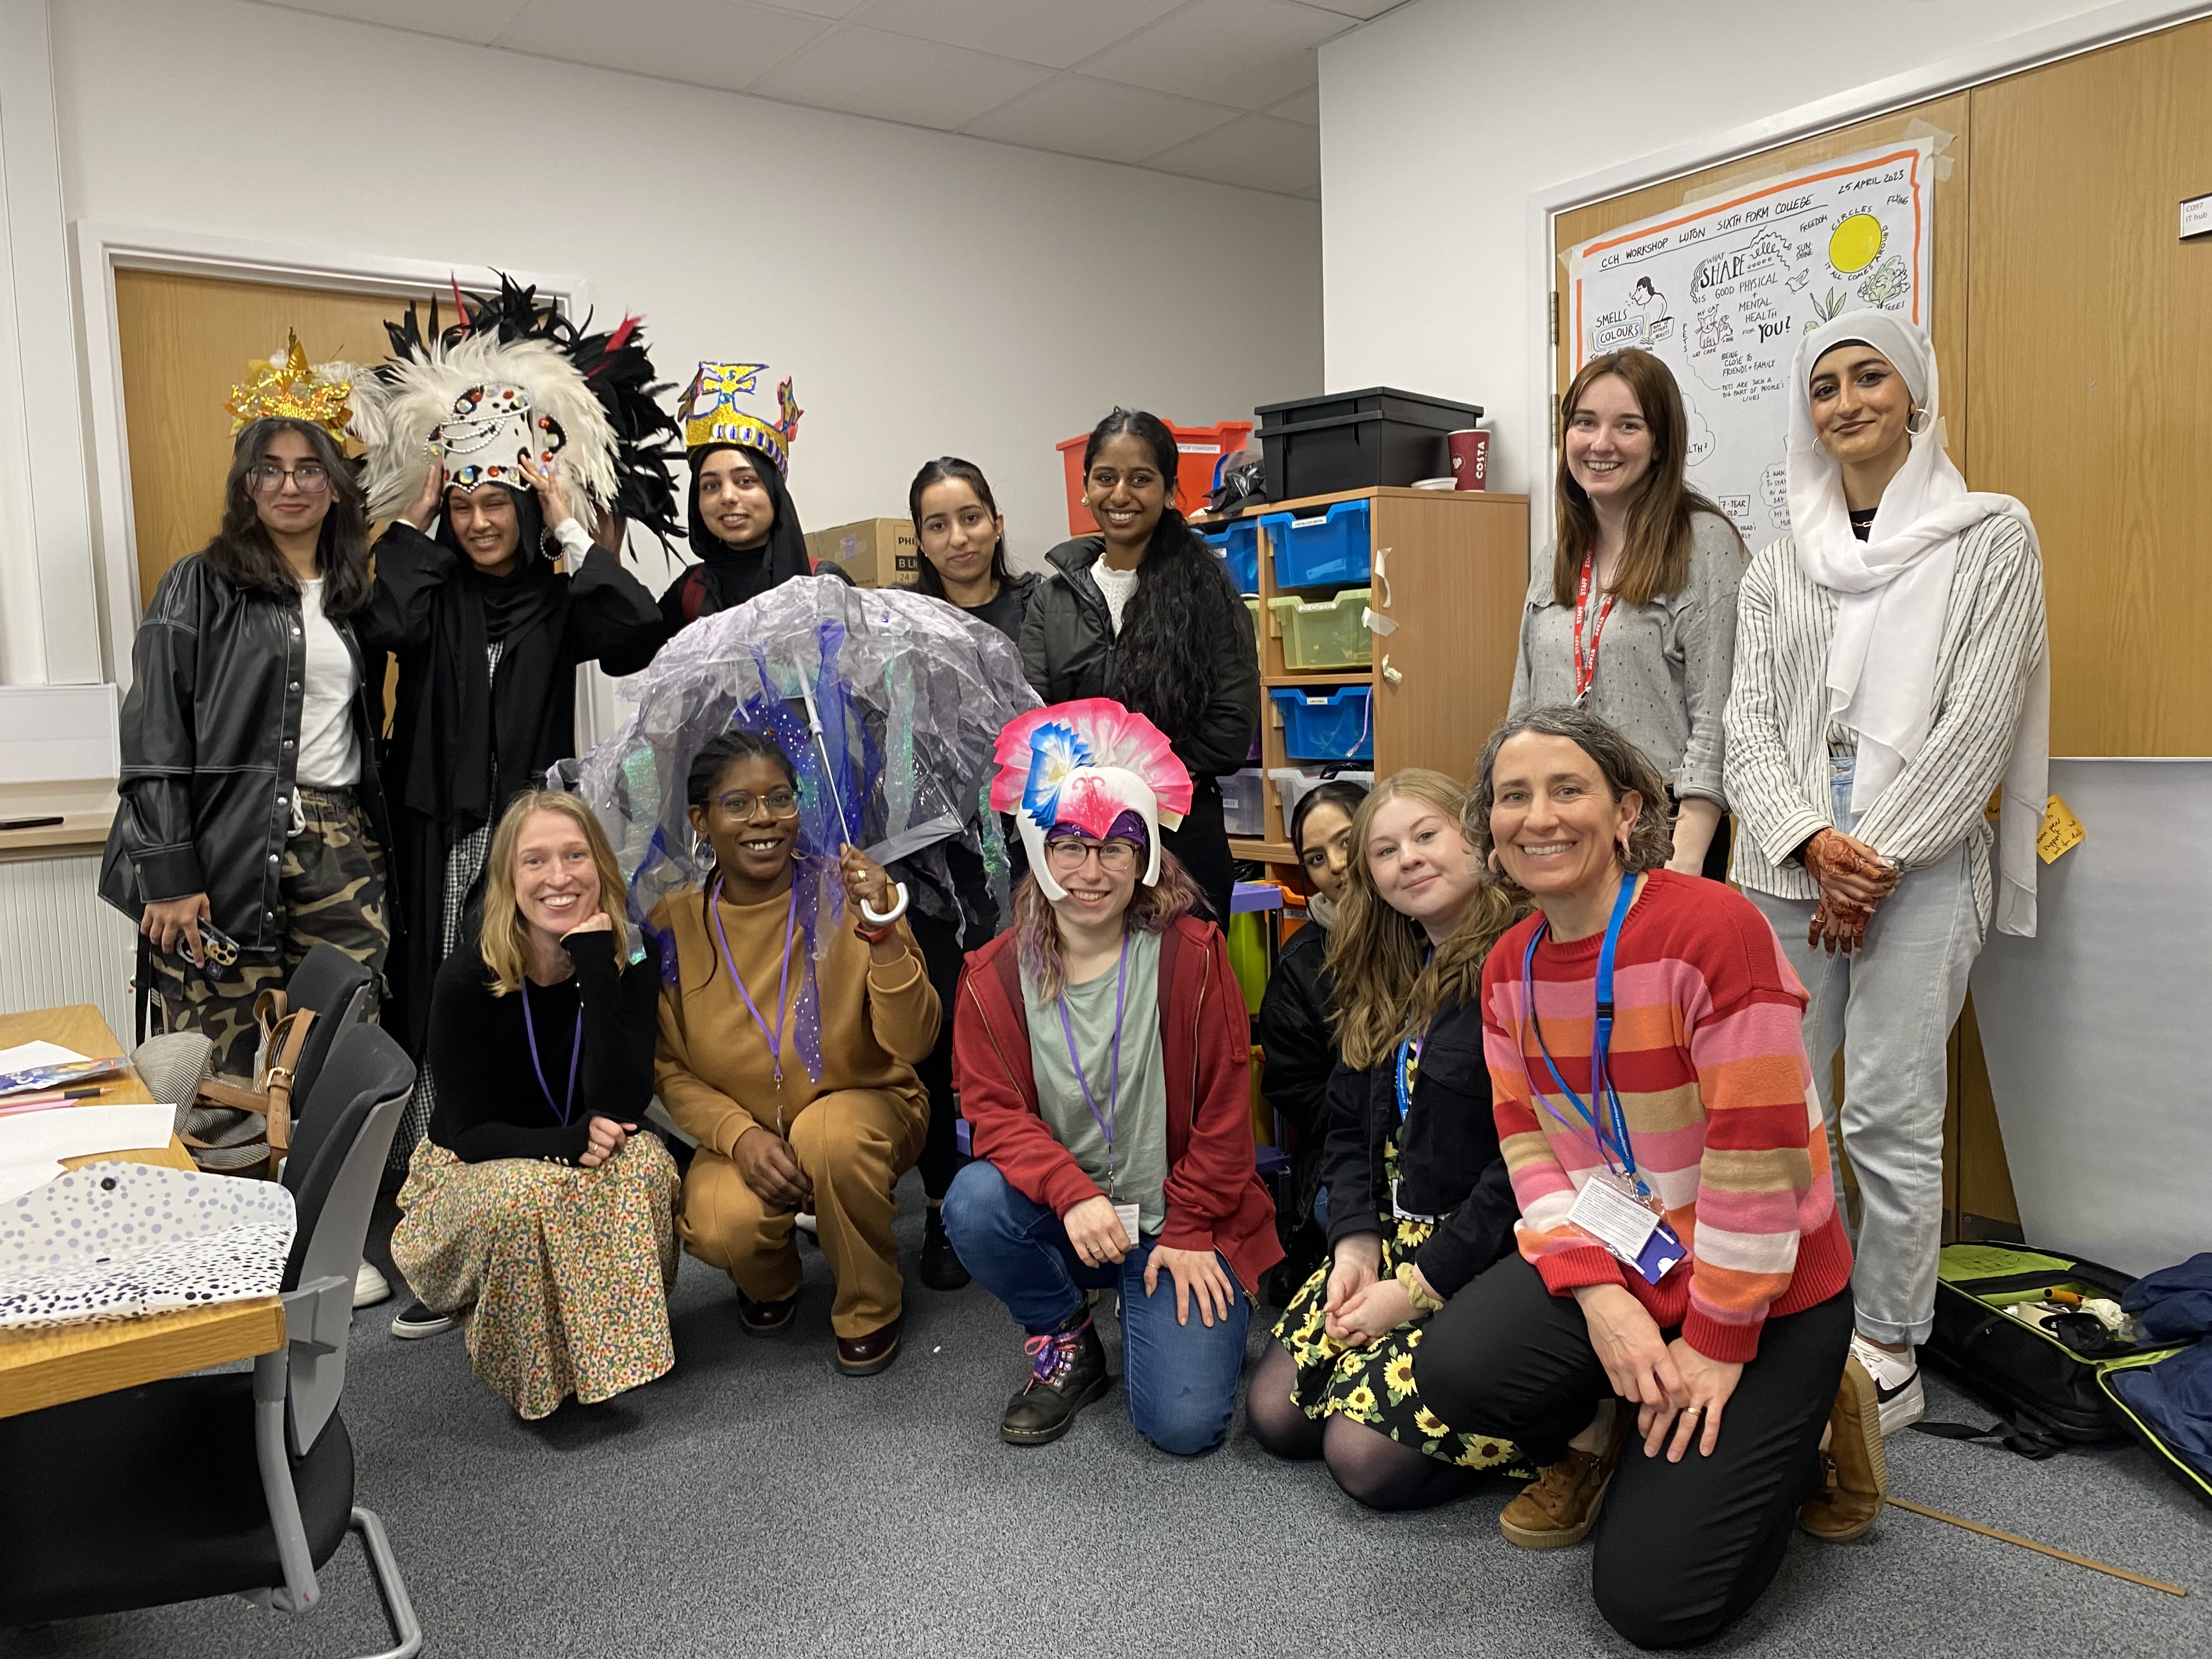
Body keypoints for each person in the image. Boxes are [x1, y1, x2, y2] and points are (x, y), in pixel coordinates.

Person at [1414, 706, 1881, 1651]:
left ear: (1626, 809)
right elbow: (1528, 1147)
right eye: (1512, 796)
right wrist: (1599, 1298)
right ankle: (1605, 1428)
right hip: (1631, 1256)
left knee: (1654, 1605)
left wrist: (1714, 1339)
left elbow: (1759, 1156)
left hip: (1768, 1286)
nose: (1537, 815)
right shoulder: (1508, 966)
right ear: (1491, 829)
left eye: (1566, 788)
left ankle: (1819, 1417)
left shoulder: (1712, 926)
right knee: (1455, 1366)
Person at [1724, 311, 2049, 1436]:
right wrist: (1815, 847)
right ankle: (1793, 1306)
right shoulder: (1780, 563)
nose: (1848, 401)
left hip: (1924, 854)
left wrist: (1878, 864)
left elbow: (1981, 719)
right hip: (1784, 857)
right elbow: (1749, 726)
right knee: (1778, 1107)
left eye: (1871, 378)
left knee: (1896, 1113)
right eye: (1825, 387)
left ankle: (1891, 1336)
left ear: (1917, 397)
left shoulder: (1991, 535)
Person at [357, 325, 663, 1166]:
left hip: (525, 838)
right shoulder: (433, 588)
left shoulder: (556, 598)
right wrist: (416, 525)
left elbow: (637, 631)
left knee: (525, 994)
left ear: (523, 506)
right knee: (436, 996)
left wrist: (569, 526)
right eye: (464, 505)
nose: (481, 522)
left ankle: (533, 1148)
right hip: (439, 830)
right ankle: (435, 1166)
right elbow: (382, 622)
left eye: (497, 504)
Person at [945, 699, 1282, 1454]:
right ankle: (1068, 1333)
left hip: (1182, 1218)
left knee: (1184, 1426)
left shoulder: (1192, 958)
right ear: (1037, 852)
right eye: (1068, 846)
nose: (1091, 872)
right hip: (1072, 1217)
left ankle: (1149, 1302)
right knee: (973, 1203)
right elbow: (995, 1115)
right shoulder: (990, 979)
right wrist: (1071, 1193)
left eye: (1115, 848)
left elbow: (1230, 1112)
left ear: (1146, 859)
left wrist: (1193, 1226)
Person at [101, 348, 391, 1082]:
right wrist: (168, 871)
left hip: (341, 845)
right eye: (269, 467)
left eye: (309, 467)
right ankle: (220, 1197)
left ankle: (325, 1198)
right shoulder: (197, 585)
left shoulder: (357, 594)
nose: (288, 485)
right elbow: (154, 731)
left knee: (339, 1050)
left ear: (336, 485)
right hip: (225, 844)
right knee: (215, 1061)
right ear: (245, 484)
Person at [1248, 770, 1528, 1508]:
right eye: (1385, 850)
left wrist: (1410, 1294)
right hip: (1395, 1235)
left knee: (1360, 1458)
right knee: (1276, 1416)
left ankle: (1548, 1427)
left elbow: (1523, 1173)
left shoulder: (1522, 960)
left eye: (1427, 835)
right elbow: (1347, 1127)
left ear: (1475, 837)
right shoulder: (1386, 969)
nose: (1408, 858)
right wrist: (1354, 1243)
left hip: (1489, 1255)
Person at [652, 730, 939, 1376]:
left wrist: (886, 936)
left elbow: (916, 1042)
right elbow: (669, 1068)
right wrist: (739, 1136)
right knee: (721, 1221)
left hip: (864, 1106)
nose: (764, 819)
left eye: (780, 799)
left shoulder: (849, 893)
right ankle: (773, 1282)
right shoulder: (673, 924)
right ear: (701, 820)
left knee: (828, 1136)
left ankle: (870, 1303)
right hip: (747, 1131)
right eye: (738, 804)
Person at [387, 792, 680, 1419]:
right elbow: (467, 1134)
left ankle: (609, 1354)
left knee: (648, 1163)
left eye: (576, 856)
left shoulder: (636, 955)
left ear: (600, 867)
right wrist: (567, 1142)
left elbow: (624, 1102)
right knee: (533, 1196)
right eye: (535, 861)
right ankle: (538, 1379)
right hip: (472, 1167)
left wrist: (595, 964)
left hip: (586, 1141)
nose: (558, 877)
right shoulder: (467, 979)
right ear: (507, 880)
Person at [1509, 348, 1747, 881]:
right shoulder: (1558, 555)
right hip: (1559, 823)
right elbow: (1522, 702)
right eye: (1585, 423)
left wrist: (1686, 851)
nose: (1601, 444)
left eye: (1628, 426)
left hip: (1658, 826)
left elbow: (1720, 711)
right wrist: (1503, 816)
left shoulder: (1703, 545)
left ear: (1661, 444)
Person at [1020, 409, 1260, 929]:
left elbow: (1231, 731)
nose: (1121, 494)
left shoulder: (1209, 594)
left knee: (1179, 992)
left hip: (1181, 838)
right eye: (1106, 478)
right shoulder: (1051, 598)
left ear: (1172, 490)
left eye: (1141, 479)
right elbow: (1034, 716)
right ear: (1085, 487)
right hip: (1078, 844)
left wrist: (1144, 784)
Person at [601, 360, 823, 672]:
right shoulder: (693, 590)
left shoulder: (822, 581)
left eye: (746, 481)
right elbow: (619, 660)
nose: (728, 497)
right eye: (711, 486)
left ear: (774, 493)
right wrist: (608, 562)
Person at [1253, 778, 1369, 1296]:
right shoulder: (1301, 965)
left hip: (1442, 1141)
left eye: (1347, 842)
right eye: (1317, 858)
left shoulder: (1429, 922)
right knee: (1337, 1211)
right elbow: (1301, 1094)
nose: (1338, 866)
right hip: (1352, 1145)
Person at [910, 456, 1039, 644]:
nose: (958, 539)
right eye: (938, 526)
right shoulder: (902, 616)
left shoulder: (1035, 608)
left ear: (997, 525)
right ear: (920, 542)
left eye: (971, 518)